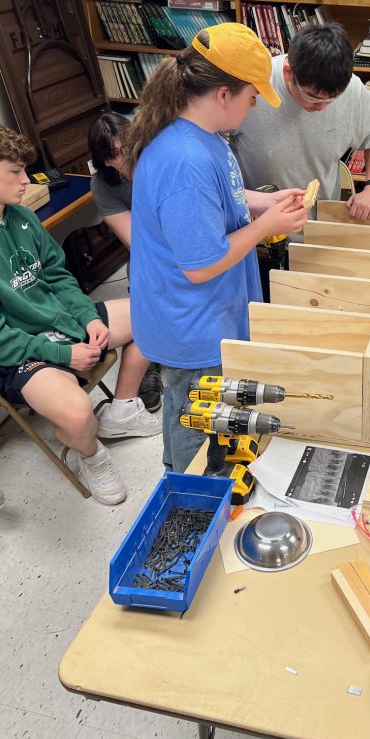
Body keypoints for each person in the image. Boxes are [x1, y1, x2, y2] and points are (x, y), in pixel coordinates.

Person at [126, 24, 309, 474]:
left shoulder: (205, 136)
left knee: (218, 426)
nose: (253, 108)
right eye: (252, 97)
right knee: (195, 439)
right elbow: (202, 266)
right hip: (192, 329)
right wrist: (267, 225)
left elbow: (221, 196)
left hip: (209, 318)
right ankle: (191, 510)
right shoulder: (183, 160)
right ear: (223, 93)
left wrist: (262, 201)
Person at [0, 126, 161, 506]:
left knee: (155, 313)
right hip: (17, 352)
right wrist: (63, 355)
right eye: (15, 171)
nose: (26, 180)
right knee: (76, 413)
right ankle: (91, 456)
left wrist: (88, 318)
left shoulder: (20, 217)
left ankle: (122, 407)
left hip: (61, 322)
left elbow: (56, 276)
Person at [231, 23, 370, 298]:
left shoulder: (351, 89)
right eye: (314, 98)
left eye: (332, 100)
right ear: (288, 72)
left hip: (317, 234)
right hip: (257, 238)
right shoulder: (252, 86)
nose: (322, 108)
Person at [88, 112, 162, 412]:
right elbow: (136, 241)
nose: (128, 157)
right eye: (117, 154)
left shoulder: (159, 157)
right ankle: (151, 365)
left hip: (185, 243)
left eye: (129, 147)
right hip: (150, 254)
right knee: (145, 295)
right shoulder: (103, 184)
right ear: (106, 161)